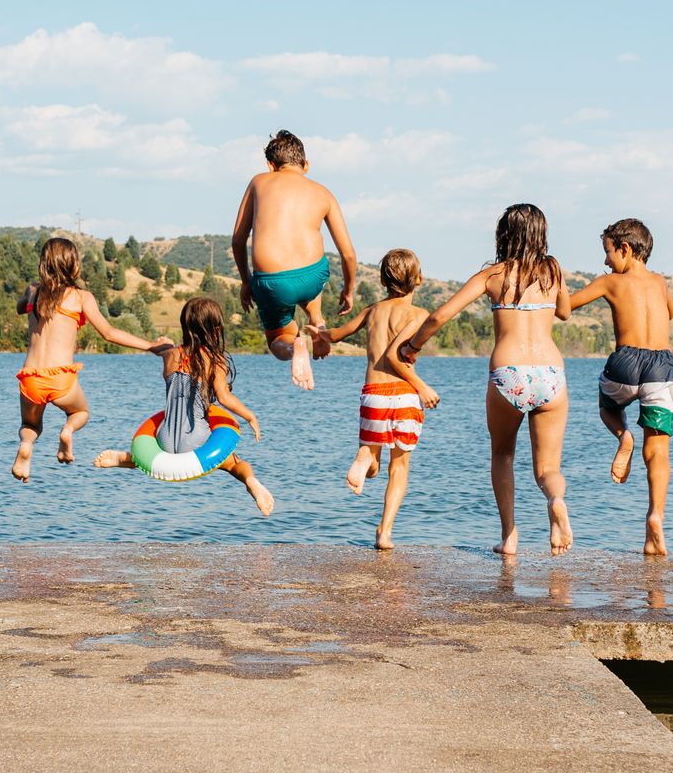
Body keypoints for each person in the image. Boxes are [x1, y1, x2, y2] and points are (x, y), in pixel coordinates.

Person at [400, 203, 573, 557]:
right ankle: (555, 500)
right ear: (542, 235)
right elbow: (565, 313)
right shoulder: (553, 272)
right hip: (550, 374)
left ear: (504, 235)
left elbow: (440, 315)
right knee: (548, 468)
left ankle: (509, 536)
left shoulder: (491, 276)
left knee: (503, 454)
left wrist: (413, 345)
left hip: (508, 373)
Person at [96, 295, 275, 515]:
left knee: (155, 456)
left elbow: (143, 344)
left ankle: (125, 458)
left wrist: (158, 344)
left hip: (165, 438)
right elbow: (224, 398)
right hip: (196, 438)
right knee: (235, 464)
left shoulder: (169, 355)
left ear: (184, 326)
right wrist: (251, 417)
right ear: (216, 329)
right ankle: (252, 484)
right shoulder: (215, 360)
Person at [565, 217, 673, 556]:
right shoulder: (660, 282)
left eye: (608, 252)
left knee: (608, 405)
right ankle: (655, 517)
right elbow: (670, 313)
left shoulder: (610, 282)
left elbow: (566, 307)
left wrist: (556, 285)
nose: (605, 261)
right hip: (661, 366)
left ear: (626, 250)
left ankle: (623, 436)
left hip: (625, 362)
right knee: (658, 450)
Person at [12, 236, 168, 482]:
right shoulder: (81, 297)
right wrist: (150, 345)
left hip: (30, 378)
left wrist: (30, 297)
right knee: (80, 412)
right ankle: (67, 431)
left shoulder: (33, 291)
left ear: (44, 263)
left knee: (30, 426)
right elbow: (109, 333)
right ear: (73, 265)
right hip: (61, 377)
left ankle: (26, 447)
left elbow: (20, 307)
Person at [318, 248, 440, 549]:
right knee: (398, 467)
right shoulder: (419, 315)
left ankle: (365, 457)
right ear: (419, 280)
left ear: (384, 282)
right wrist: (422, 386)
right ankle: (385, 532)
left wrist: (318, 330)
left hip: (374, 395)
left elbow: (335, 335)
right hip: (404, 396)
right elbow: (398, 357)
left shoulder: (372, 311)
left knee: (371, 460)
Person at [229, 129, 358, 390]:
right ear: (306, 165)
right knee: (314, 273)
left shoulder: (259, 181)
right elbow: (348, 254)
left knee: (278, 340)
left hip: (271, 281)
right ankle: (318, 322)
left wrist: (246, 282)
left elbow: (238, 240)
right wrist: (348, 290)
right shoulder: (324, 193)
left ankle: (295, 345)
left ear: (270, 166)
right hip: (312, 276)